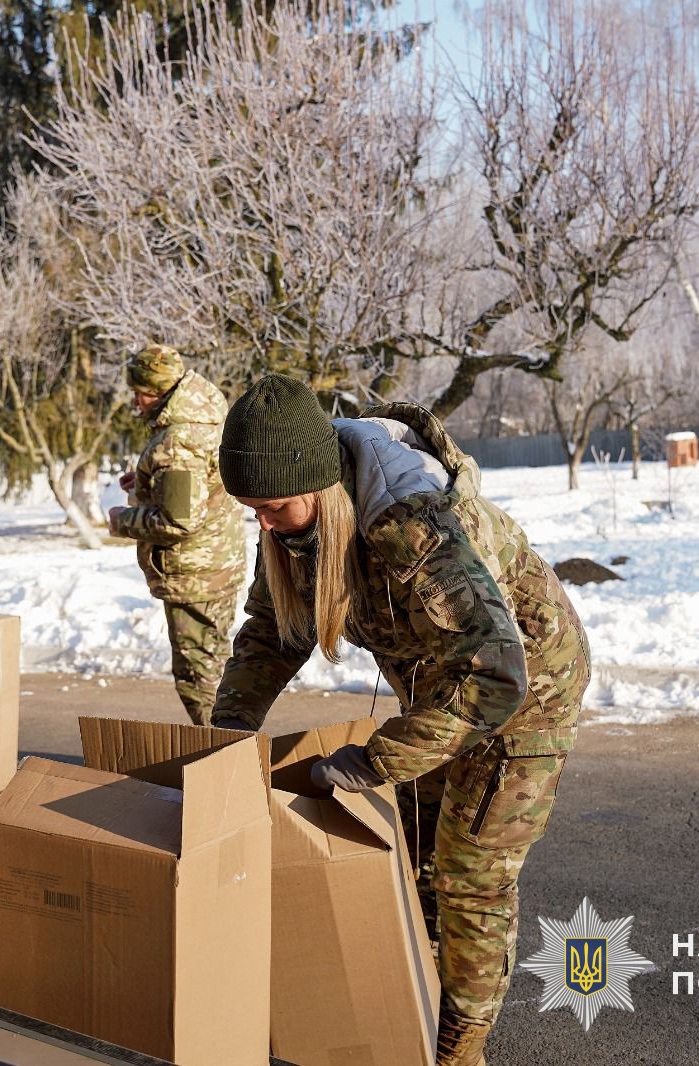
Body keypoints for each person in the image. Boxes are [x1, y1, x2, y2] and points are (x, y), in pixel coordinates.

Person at [209, 374, 589, 1066]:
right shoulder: (299, 530)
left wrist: (378, 760)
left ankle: (456, 1052)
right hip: (440, 686)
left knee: (468, 872)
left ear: (320, 488)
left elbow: (497, 673)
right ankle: (407, 1013)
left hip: (525, 690)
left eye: (273, 506)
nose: (263, 522)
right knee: (412, 862)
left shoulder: (413, 526)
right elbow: (271, 634)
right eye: (250, 510)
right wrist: (222, 740)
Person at [108, 344, 245, 725]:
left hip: (194, 576)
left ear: (159, 389)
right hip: (217, 564)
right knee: (216, 670)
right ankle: (231, 758)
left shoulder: (178, 439)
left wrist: (123, 518)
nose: (136, 400)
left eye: (141, 392)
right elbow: (203, 485)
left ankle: (224, 765)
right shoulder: (206, 416)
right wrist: (149, 483)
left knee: (199, 679)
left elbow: (178, 521)